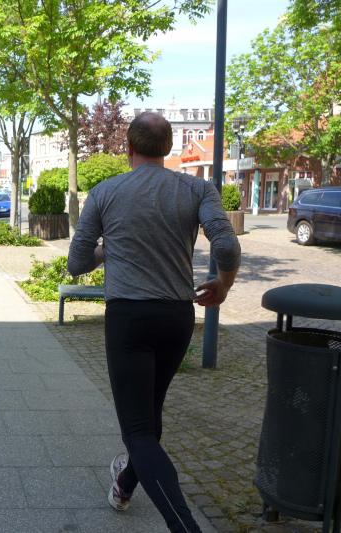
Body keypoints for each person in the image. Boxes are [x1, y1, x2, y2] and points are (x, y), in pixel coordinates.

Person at [68, 112, 240, 533]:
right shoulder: (198, 189)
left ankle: (185, 526)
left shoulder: (105, 192)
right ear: (169, 147)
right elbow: (226, 245)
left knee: (139, 432)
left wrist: (108, 250)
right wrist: (223, 285)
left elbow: (76, 263)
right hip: (176, 317)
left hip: (128, 317)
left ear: (128, 147)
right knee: (150, 414)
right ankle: (125, 486)